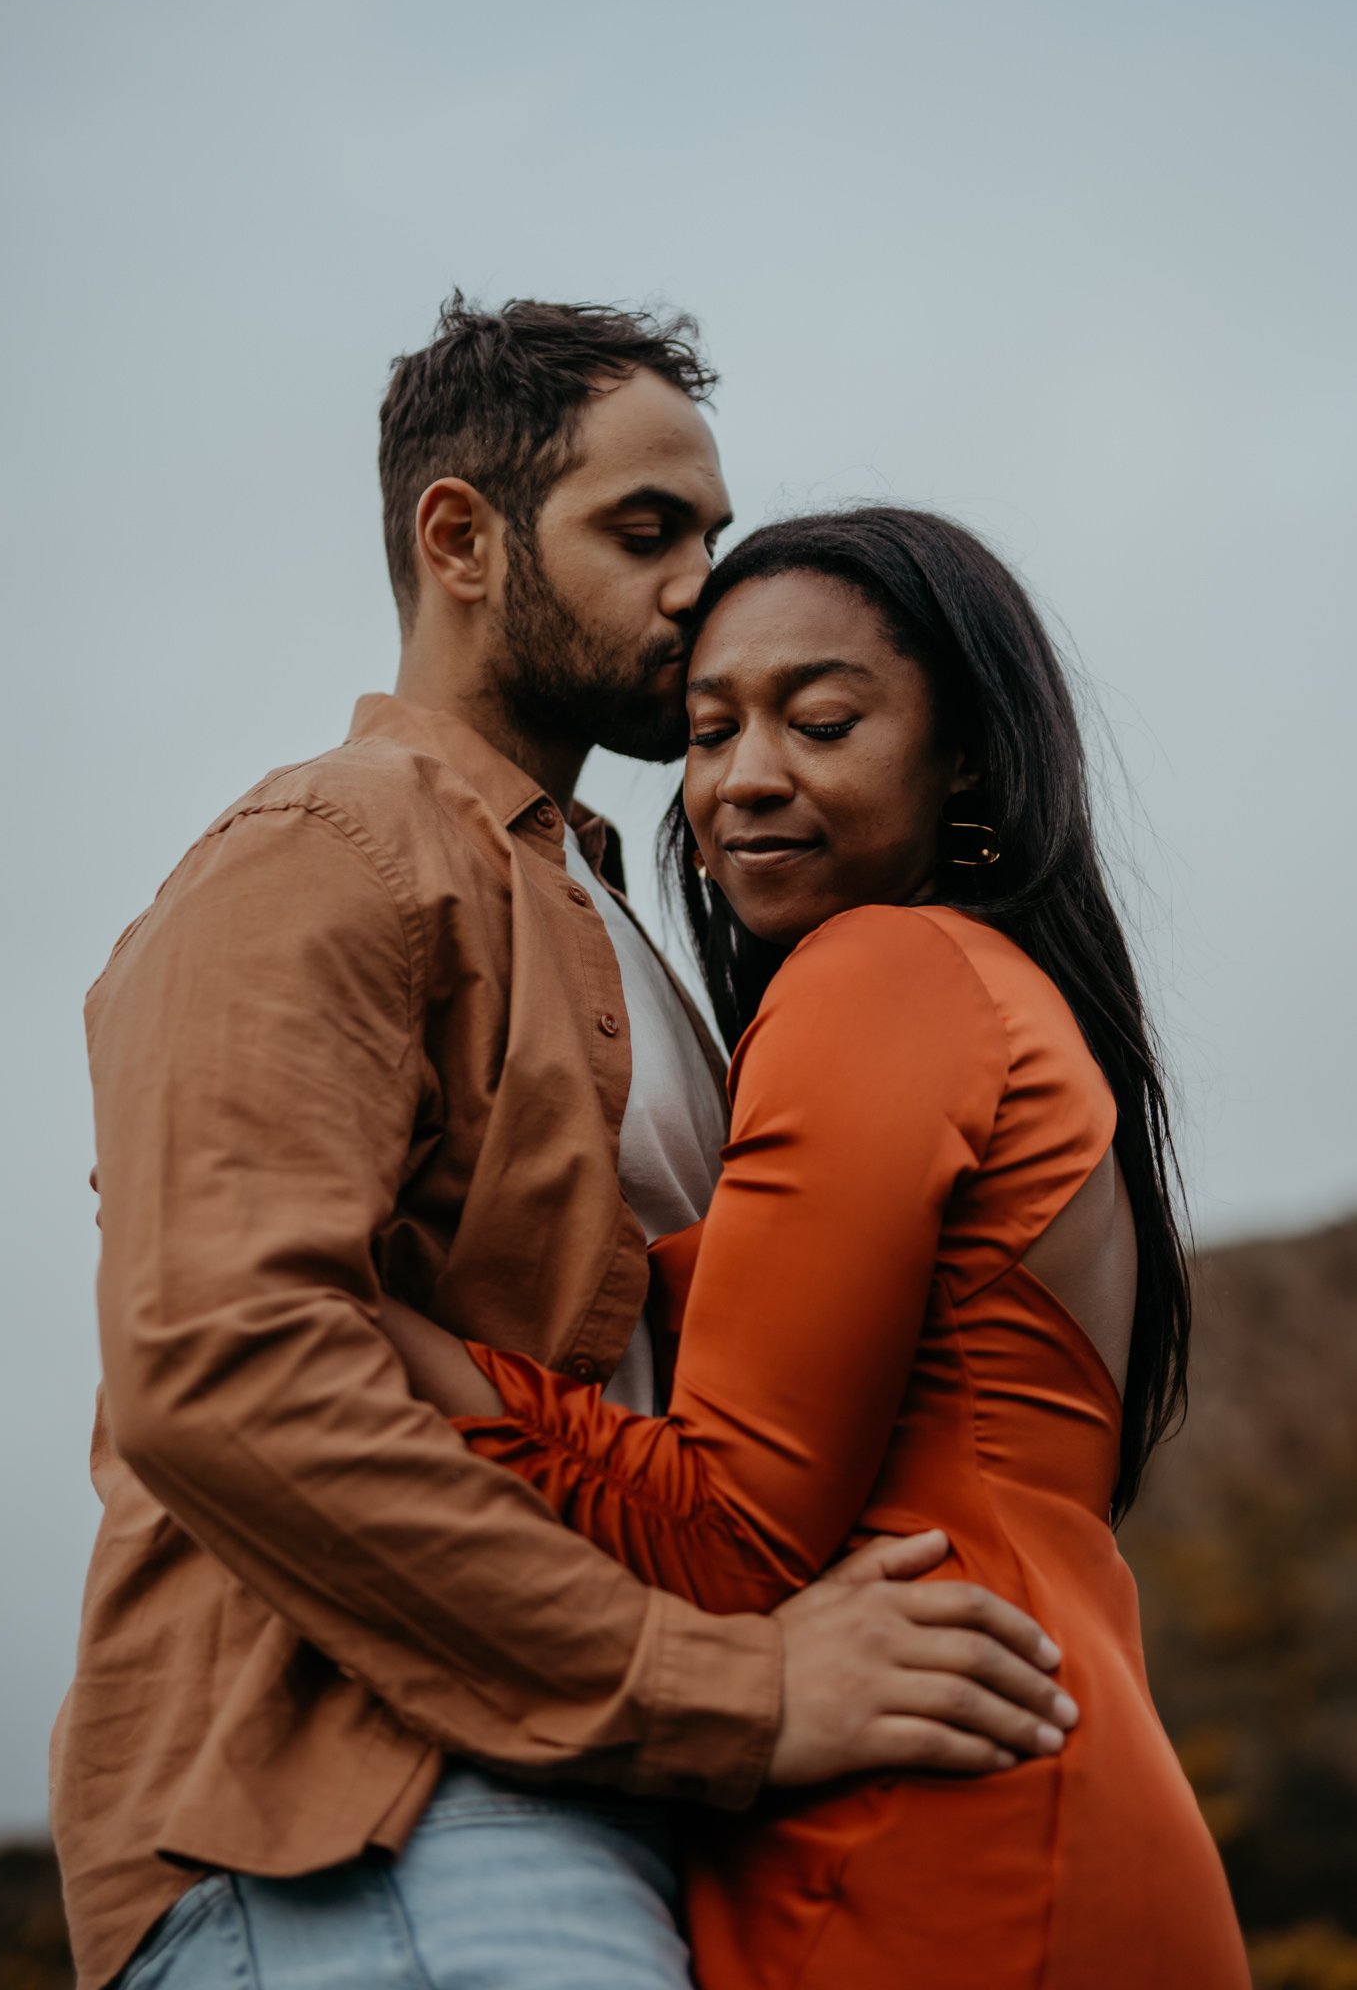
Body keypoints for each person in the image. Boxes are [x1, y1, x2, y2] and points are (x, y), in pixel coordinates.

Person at [52, 301, 1076, 1990]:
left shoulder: (605, 909)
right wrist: (738, 1693)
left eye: (711, 533)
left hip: (596, 1801)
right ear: (459, 538)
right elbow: (219, 1367)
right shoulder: (327, 851)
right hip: (368, 1820)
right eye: (644, 530)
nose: (699, 585)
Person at [378, 507, 1253, 1987]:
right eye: (709, 733)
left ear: (963, 755)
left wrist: (354, 1313)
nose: (746, 779)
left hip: (936, 1822)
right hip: (1014, 1775)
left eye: (822, 719)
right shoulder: (984, 995)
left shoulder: (885, 970)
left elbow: (725, 1531)